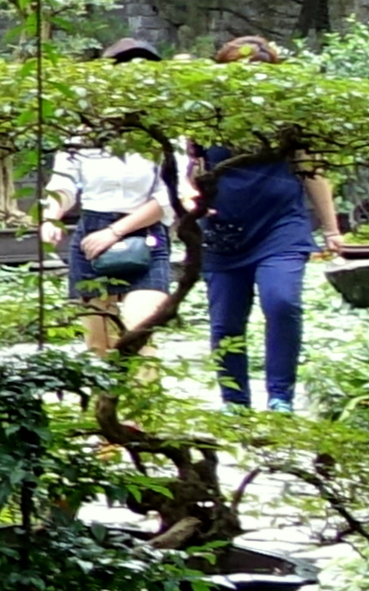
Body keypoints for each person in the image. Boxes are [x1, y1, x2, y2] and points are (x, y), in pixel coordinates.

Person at [196, 36, 342, 411]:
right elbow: (189, 170)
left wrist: (331, 228)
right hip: (225, 229)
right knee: (226, 322)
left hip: (281, 226)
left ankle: (280, 397)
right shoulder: (203, 115)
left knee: (282, 302)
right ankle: (235, 403)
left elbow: (312, 171)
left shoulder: (288, 116)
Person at [39, 43, 175, 339]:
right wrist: (51, 217)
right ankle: (109, 387)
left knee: (139, 330)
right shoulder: (83, 133)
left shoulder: (167, 133)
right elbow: (63, 182)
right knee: (99, 342)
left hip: (145, 233)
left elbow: (168, 196)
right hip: (91, 232)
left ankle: (145, 386)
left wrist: (115, 232)